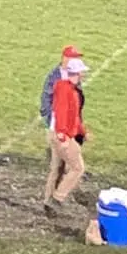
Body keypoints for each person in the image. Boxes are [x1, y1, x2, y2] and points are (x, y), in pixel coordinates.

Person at [44, 56, 89, 212]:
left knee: (57, 168)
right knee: (78, 167)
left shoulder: (67, 88)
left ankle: (49, 199)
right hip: (62, 135)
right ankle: (57, 198)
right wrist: (63, 136)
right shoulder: (67, 91)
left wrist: (83, 132)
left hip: (59, 134)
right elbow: (63, 114)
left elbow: (73, 116)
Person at [39, 45, 85, 133]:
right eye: (75, 58)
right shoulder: (53, 76)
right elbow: (46, 96)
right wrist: (48, 116)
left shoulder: (75, 73)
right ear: (65, 58)